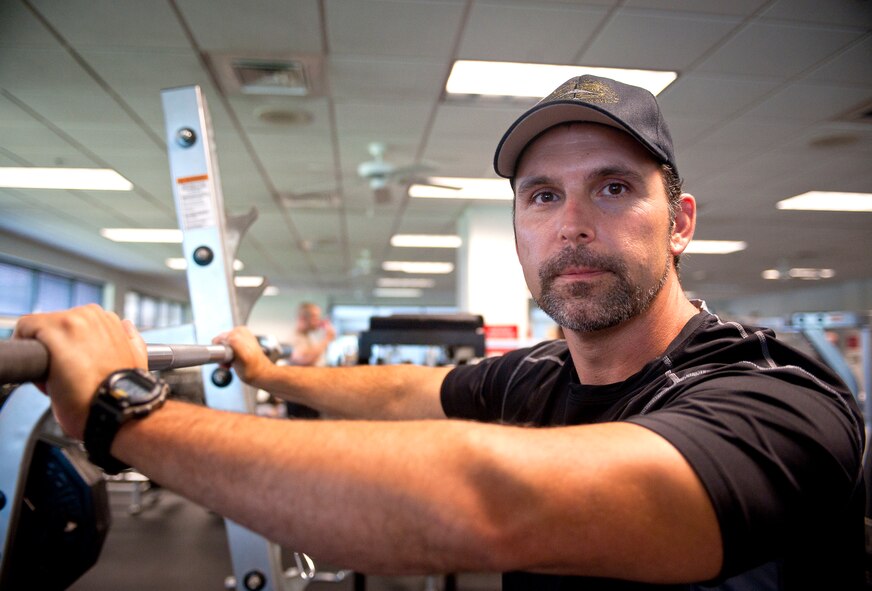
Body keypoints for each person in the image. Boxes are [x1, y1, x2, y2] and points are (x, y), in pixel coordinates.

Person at [14, 75, 864, 590]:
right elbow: (409, 388)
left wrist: (127, 411)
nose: (571, 223)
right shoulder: (540, 376)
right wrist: (272, 374)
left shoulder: (774, 393)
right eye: (542, 196)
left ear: (678, 221)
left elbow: (493, 501)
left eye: (612, 189)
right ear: (520, 227)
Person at [284, 302, 335, 418]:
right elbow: (305, 359)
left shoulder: (310, 337)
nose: (318, 321)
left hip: (309, 395)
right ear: (303, 318)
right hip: (299, 397)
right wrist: (327, 339)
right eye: (315, 317)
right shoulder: (294, 338)